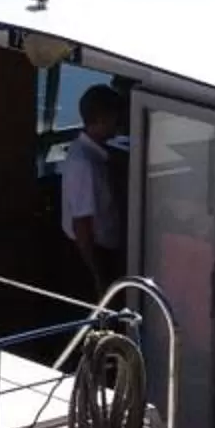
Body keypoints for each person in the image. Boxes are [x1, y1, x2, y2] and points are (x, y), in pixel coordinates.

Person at [59, 84, 128, 295]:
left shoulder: (89, 151)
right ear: (102, 119)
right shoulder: (84, 164)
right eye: (116, 117)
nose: (119, 123)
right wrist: (98, 276)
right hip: (93, 254)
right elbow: (82, 224)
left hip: (101, 249)